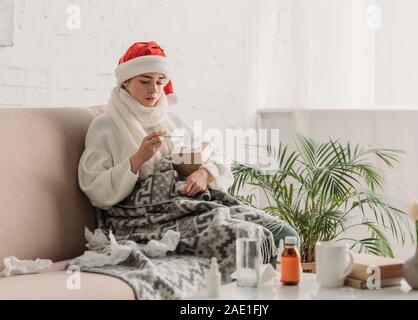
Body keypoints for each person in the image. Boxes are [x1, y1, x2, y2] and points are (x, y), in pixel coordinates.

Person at [77, 41, 300, 264]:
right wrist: (137, 160)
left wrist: (205, 173)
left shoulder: (170, 120)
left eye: (159, 81)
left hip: (190, 204)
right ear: (125, 82)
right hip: (140, 219)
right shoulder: (105, 125)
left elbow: (212, 151)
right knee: (253, 237)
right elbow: (94, 187)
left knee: (286, 235)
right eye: (144, 81)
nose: (153, 89)